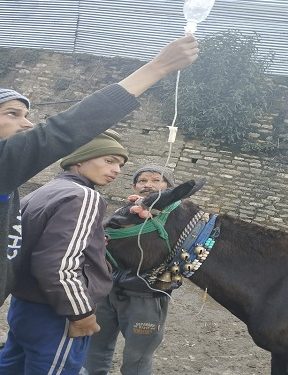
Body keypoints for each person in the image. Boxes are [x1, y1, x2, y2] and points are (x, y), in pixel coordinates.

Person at [0, 35, 199, 308]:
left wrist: (122, 219)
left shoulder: (30, 187)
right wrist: (157, 67)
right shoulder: (79, 196)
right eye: (12, 113)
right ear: (79, 159)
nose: (28, 125)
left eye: (121, 164)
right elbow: (64, 130)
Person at [0, 131, 128, 374]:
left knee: (11, 366)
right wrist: (81, 314)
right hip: (56, 314)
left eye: (120, 165)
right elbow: (58, 265)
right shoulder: (84, 196)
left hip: (24, 306)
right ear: (80, 159)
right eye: (109, 161)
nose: (117, 170)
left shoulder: (44, 190)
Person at [84, 165, 176, 375]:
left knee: (137, 359)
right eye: (142, 180)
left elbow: (180, 261)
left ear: (169, 187)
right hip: (108, 292)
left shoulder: (174, 218)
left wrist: (161, 285)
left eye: (156, 180)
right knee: (95, 349)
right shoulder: (124, 212)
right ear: (134, 186)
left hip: (146, 298)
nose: (148, 185)